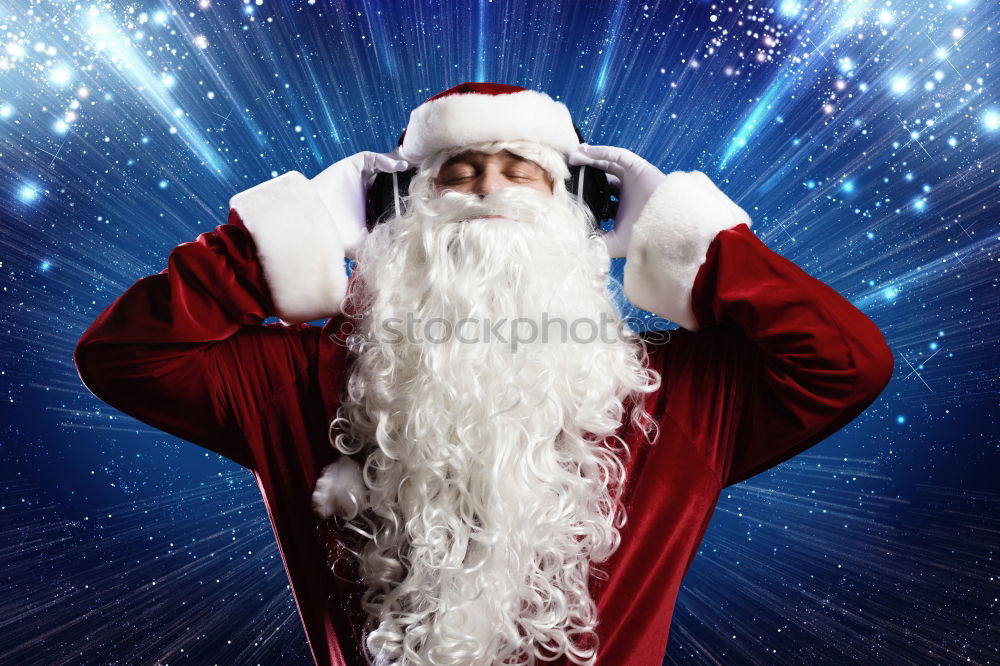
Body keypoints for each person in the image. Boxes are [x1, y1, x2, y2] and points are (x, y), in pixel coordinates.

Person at [74, 82, 894, 666]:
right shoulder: (302, 382)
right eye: (458, 172)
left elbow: (847, 361)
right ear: (396, 219)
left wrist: (695, 243)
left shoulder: (669, 394)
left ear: (580, 218)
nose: (489, 189)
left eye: (523, 172)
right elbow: (124, 355)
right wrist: (285, 240)